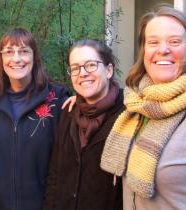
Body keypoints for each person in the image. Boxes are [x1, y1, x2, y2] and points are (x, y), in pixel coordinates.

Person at [101, 5, 186, 210]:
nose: (162, 50)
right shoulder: (135, 105)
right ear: (144, 51)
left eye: (174, 42)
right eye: (153, 42)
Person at [0, 28, 69, 210]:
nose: (17, 59)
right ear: (1, 59)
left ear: (34, 57)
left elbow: (66, 164)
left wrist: (81, 102)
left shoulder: (57, 99)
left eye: (24, 51)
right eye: (9, 52)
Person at [43, 39, 123, 210]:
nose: (83, 73)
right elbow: (55, 174)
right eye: (75, 68)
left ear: (109, 70)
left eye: (91, 65)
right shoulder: (69, 112)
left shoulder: (127, 112)